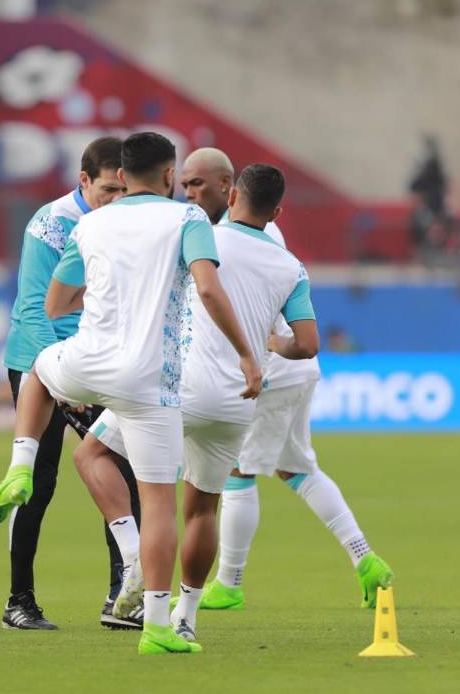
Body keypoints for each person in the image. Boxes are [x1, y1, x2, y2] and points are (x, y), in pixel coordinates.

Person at [0, 132, 263, 655]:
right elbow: (207, 287)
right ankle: (156, 626)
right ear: (170, 175)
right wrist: (246, 353)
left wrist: (106, 286)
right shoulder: (188, 219)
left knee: (39, 369)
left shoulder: (91, 222)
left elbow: (56, 303)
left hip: (87, 362)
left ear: (123, 176)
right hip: (150, 379)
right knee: (157, 504)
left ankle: (21, 460)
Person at [178, 149, 395, 612]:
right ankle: (364, 557)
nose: (192, 194)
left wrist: (265, 344)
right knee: (298, 469)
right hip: (298, 370)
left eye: (199, 186)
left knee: (236, 472)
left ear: (230, 192)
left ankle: (229, 583)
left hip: (267, 370)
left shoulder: (217, 239)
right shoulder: (270, 236)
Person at [164, 163, 318, 644]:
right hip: (238, 398)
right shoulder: (291, 265)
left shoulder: (200, 238)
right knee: (204, 509)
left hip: (179, 389)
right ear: (276, 211)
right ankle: (186, 614)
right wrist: (269, 346)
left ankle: (135, 584)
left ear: (231, 198)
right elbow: (308, 343)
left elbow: (191, 292)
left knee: (99, 458)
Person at [0, 136, 141, 631]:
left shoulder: (123, 222)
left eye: (124, 191)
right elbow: (35, 308)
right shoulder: (53, 225)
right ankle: (19, 601)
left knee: (122, 472)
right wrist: (56, 376)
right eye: (106, 191)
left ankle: (122, 598)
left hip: (97, 365)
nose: (116, 201)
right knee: (38, 484)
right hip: (41, 363)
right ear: (83, 182)